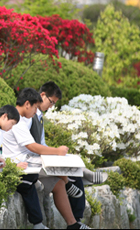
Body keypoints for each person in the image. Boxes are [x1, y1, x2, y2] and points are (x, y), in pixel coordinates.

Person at [2, 88, 90, 230]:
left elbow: (36, 145)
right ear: (27, 104)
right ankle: (69, 182)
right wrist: (57, 151)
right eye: (35, 107)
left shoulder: (24, 119)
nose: (36, 111)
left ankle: (73, 224)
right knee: (62, 168)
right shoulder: (17, 120)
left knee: (58, 184)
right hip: (24, 164)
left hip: (30, 161)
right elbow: (32, 146)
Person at [32, 82, 106, 224]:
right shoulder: (29, 117)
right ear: (42, 95)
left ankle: (82, 174)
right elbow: (33, 146)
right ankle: (76, 218)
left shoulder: (39, 116)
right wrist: (55, 152)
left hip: (40, 157)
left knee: (71, 168)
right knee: (73, 177)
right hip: (33, 161)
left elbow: (41, 144)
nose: (51, 106)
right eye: (51, 102)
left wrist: (57, 153)